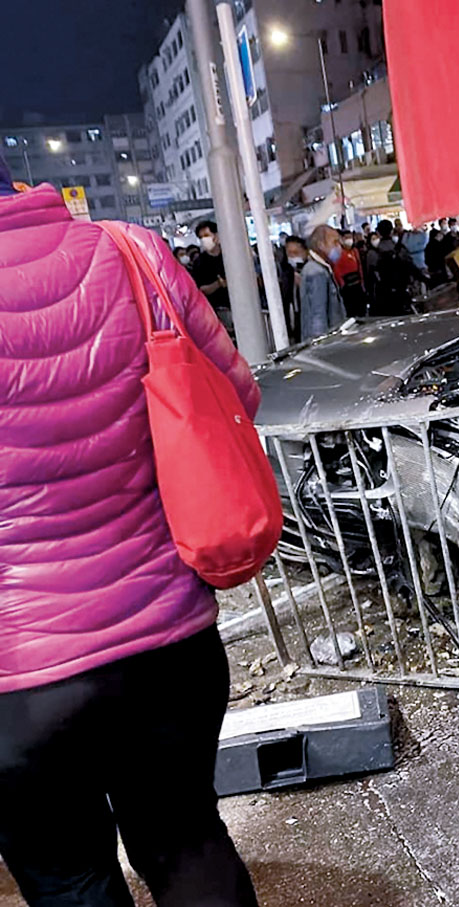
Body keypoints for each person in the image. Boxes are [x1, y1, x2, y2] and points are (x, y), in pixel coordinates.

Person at [0, 157, 259, 905]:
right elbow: (234, 394)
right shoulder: (129, 252)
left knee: (70, 876)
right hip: (167, 641)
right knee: (185, 839)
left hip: (20, 681)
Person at [300, 224, 347, 339]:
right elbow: (317, 316)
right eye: (335, 242)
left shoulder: (322, 268)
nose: (339, 247)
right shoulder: (315, 272)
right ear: (321, 245)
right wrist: (321, 346)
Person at [192, 220, 231, 329]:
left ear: (216, 235)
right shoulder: (200, 262)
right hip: (213, 311)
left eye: (206, 235)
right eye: (201, 237)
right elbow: (201, 289)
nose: (204, 240)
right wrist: (219, 283)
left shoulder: (229, 255)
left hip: (235, 306)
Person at [278, 234, 308, 343]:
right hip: (295, 318)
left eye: (295, 253)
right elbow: (285, 300)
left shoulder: (310, 271)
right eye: (289, 253)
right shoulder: (286, 272)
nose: (292, 256)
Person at [332, 230, 368, 317]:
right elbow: (336, 269)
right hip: (347, 286)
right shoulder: (336, 253)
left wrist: (362, 283)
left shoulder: (355, 251)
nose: (349, 240)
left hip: (357, 284)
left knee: (361, 310)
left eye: (350, 237)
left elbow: (359, 267)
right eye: (346, 238)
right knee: (351, 311)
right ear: (341, 239)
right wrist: (342, 284)